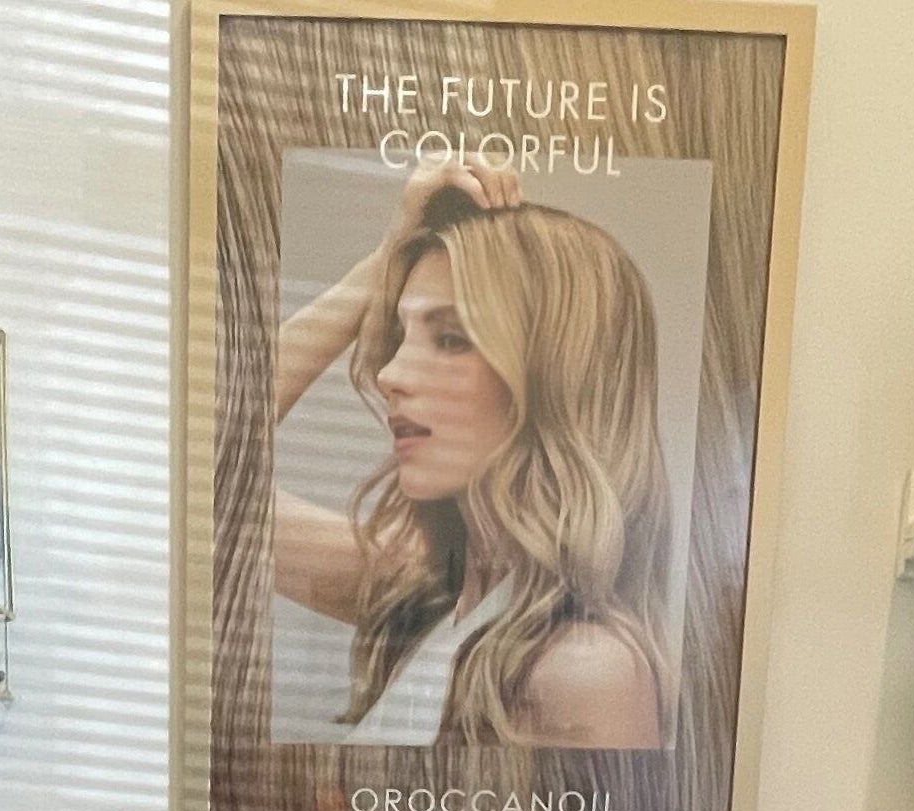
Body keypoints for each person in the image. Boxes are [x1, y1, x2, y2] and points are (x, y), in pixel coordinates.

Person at [273, 159, 675, 752]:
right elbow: (202, 475)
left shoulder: (587, 672)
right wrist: (386, 255)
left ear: (554, 379)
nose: (389, 375)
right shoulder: (433, 598)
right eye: (402, 336)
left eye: (451, 338)